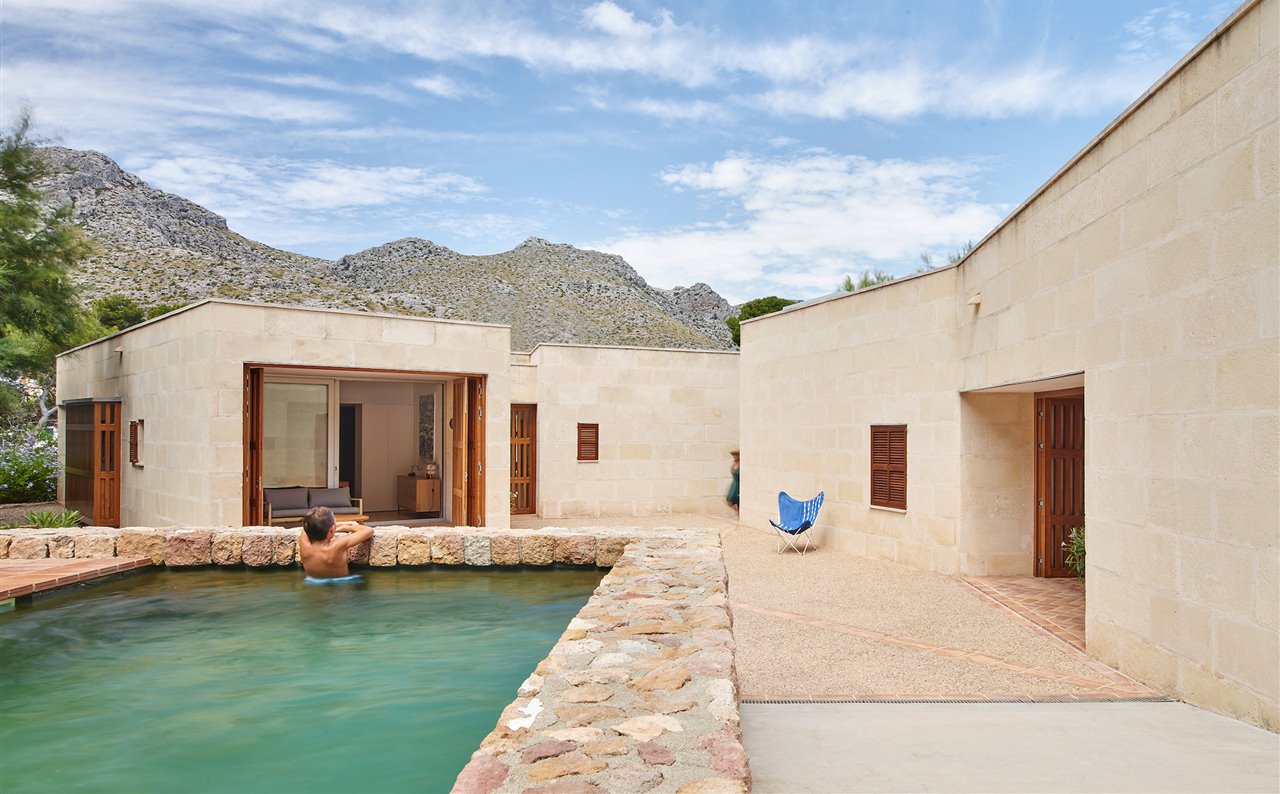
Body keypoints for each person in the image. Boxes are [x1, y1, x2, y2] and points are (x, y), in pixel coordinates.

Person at [298, 506, 373, 583]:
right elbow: (368, 530)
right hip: (341, 584)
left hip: (313, 583)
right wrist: (347, 527)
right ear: (331, 530)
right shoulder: (336, 546)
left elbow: (307, 527)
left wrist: (333, 526)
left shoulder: (305, 546)